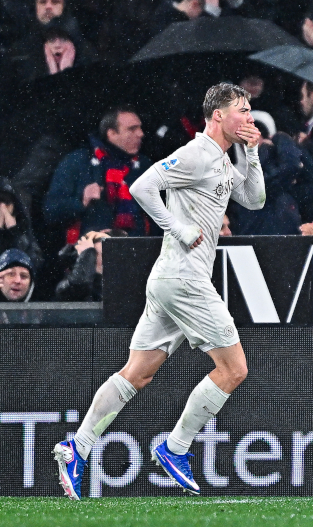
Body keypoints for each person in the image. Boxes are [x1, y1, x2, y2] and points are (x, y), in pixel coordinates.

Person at [53, 82, 265, 498]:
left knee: (138, 373)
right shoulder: (196, 152)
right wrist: (179, 228)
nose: (249, 117)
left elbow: (254, 200)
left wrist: (253, 152)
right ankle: (176, 447)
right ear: (218, 115)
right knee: (234, 368)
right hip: (184, 279)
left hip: (170, 279)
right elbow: (141, 187)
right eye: (242, 110)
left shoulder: (221, 158)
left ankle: (76, 446)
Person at [44, 108, 152, 240]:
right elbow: (50, 211)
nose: (140, 134)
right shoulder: (78, 162)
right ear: (112, 133)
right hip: (89, 253)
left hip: (136, 252)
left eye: (140, 128)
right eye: (132, 129)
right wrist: (81, 202)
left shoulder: (145, 167)